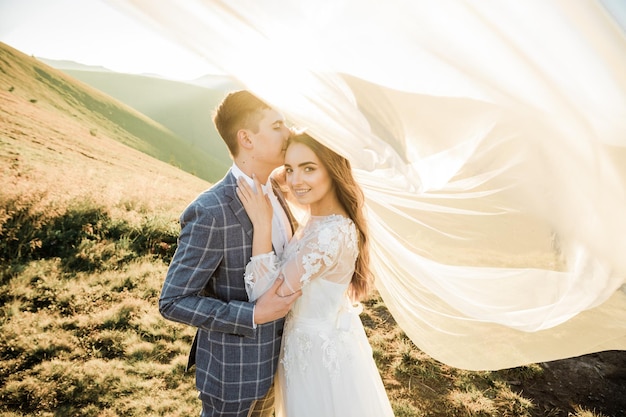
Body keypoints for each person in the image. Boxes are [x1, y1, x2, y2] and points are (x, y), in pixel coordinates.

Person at [159, 90, 301, 417]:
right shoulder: (210, 211)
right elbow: (173, 301)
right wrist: (251, 314)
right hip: (233, 375)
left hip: (281, 367)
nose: (288, 133)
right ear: (246, 139)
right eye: (277, 125)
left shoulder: (278, 190)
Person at [236, 132, 395, 416]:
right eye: (290, 169)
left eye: (309, 168)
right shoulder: (320, 219)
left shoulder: (329, 236)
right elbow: (281, 180)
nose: (296, 180)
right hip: (313, 345)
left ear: (333, 170)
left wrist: (262, 223)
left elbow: (265, 296)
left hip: (314, 357)